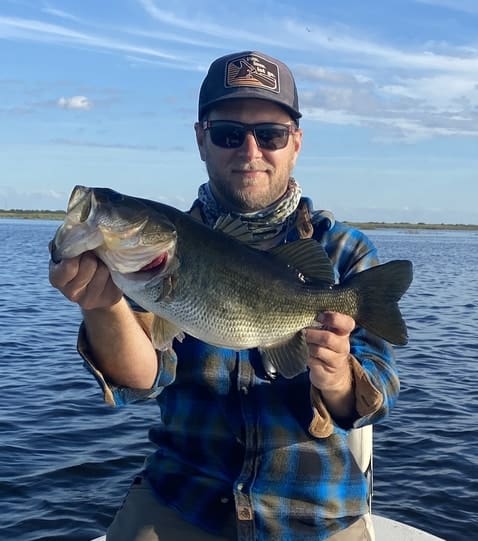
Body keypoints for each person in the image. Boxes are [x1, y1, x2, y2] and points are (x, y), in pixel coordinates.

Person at [49, 51, 399, 541]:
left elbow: (378, 392)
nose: (250, 151)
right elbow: (143, 380)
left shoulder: (344, 251)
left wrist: (339, 377)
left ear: (295, 143)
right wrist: (100, 304)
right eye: (228, 134)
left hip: (314, 511)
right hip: (182, 497)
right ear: (201, 140)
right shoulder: (145, 261)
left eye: (271, 134)